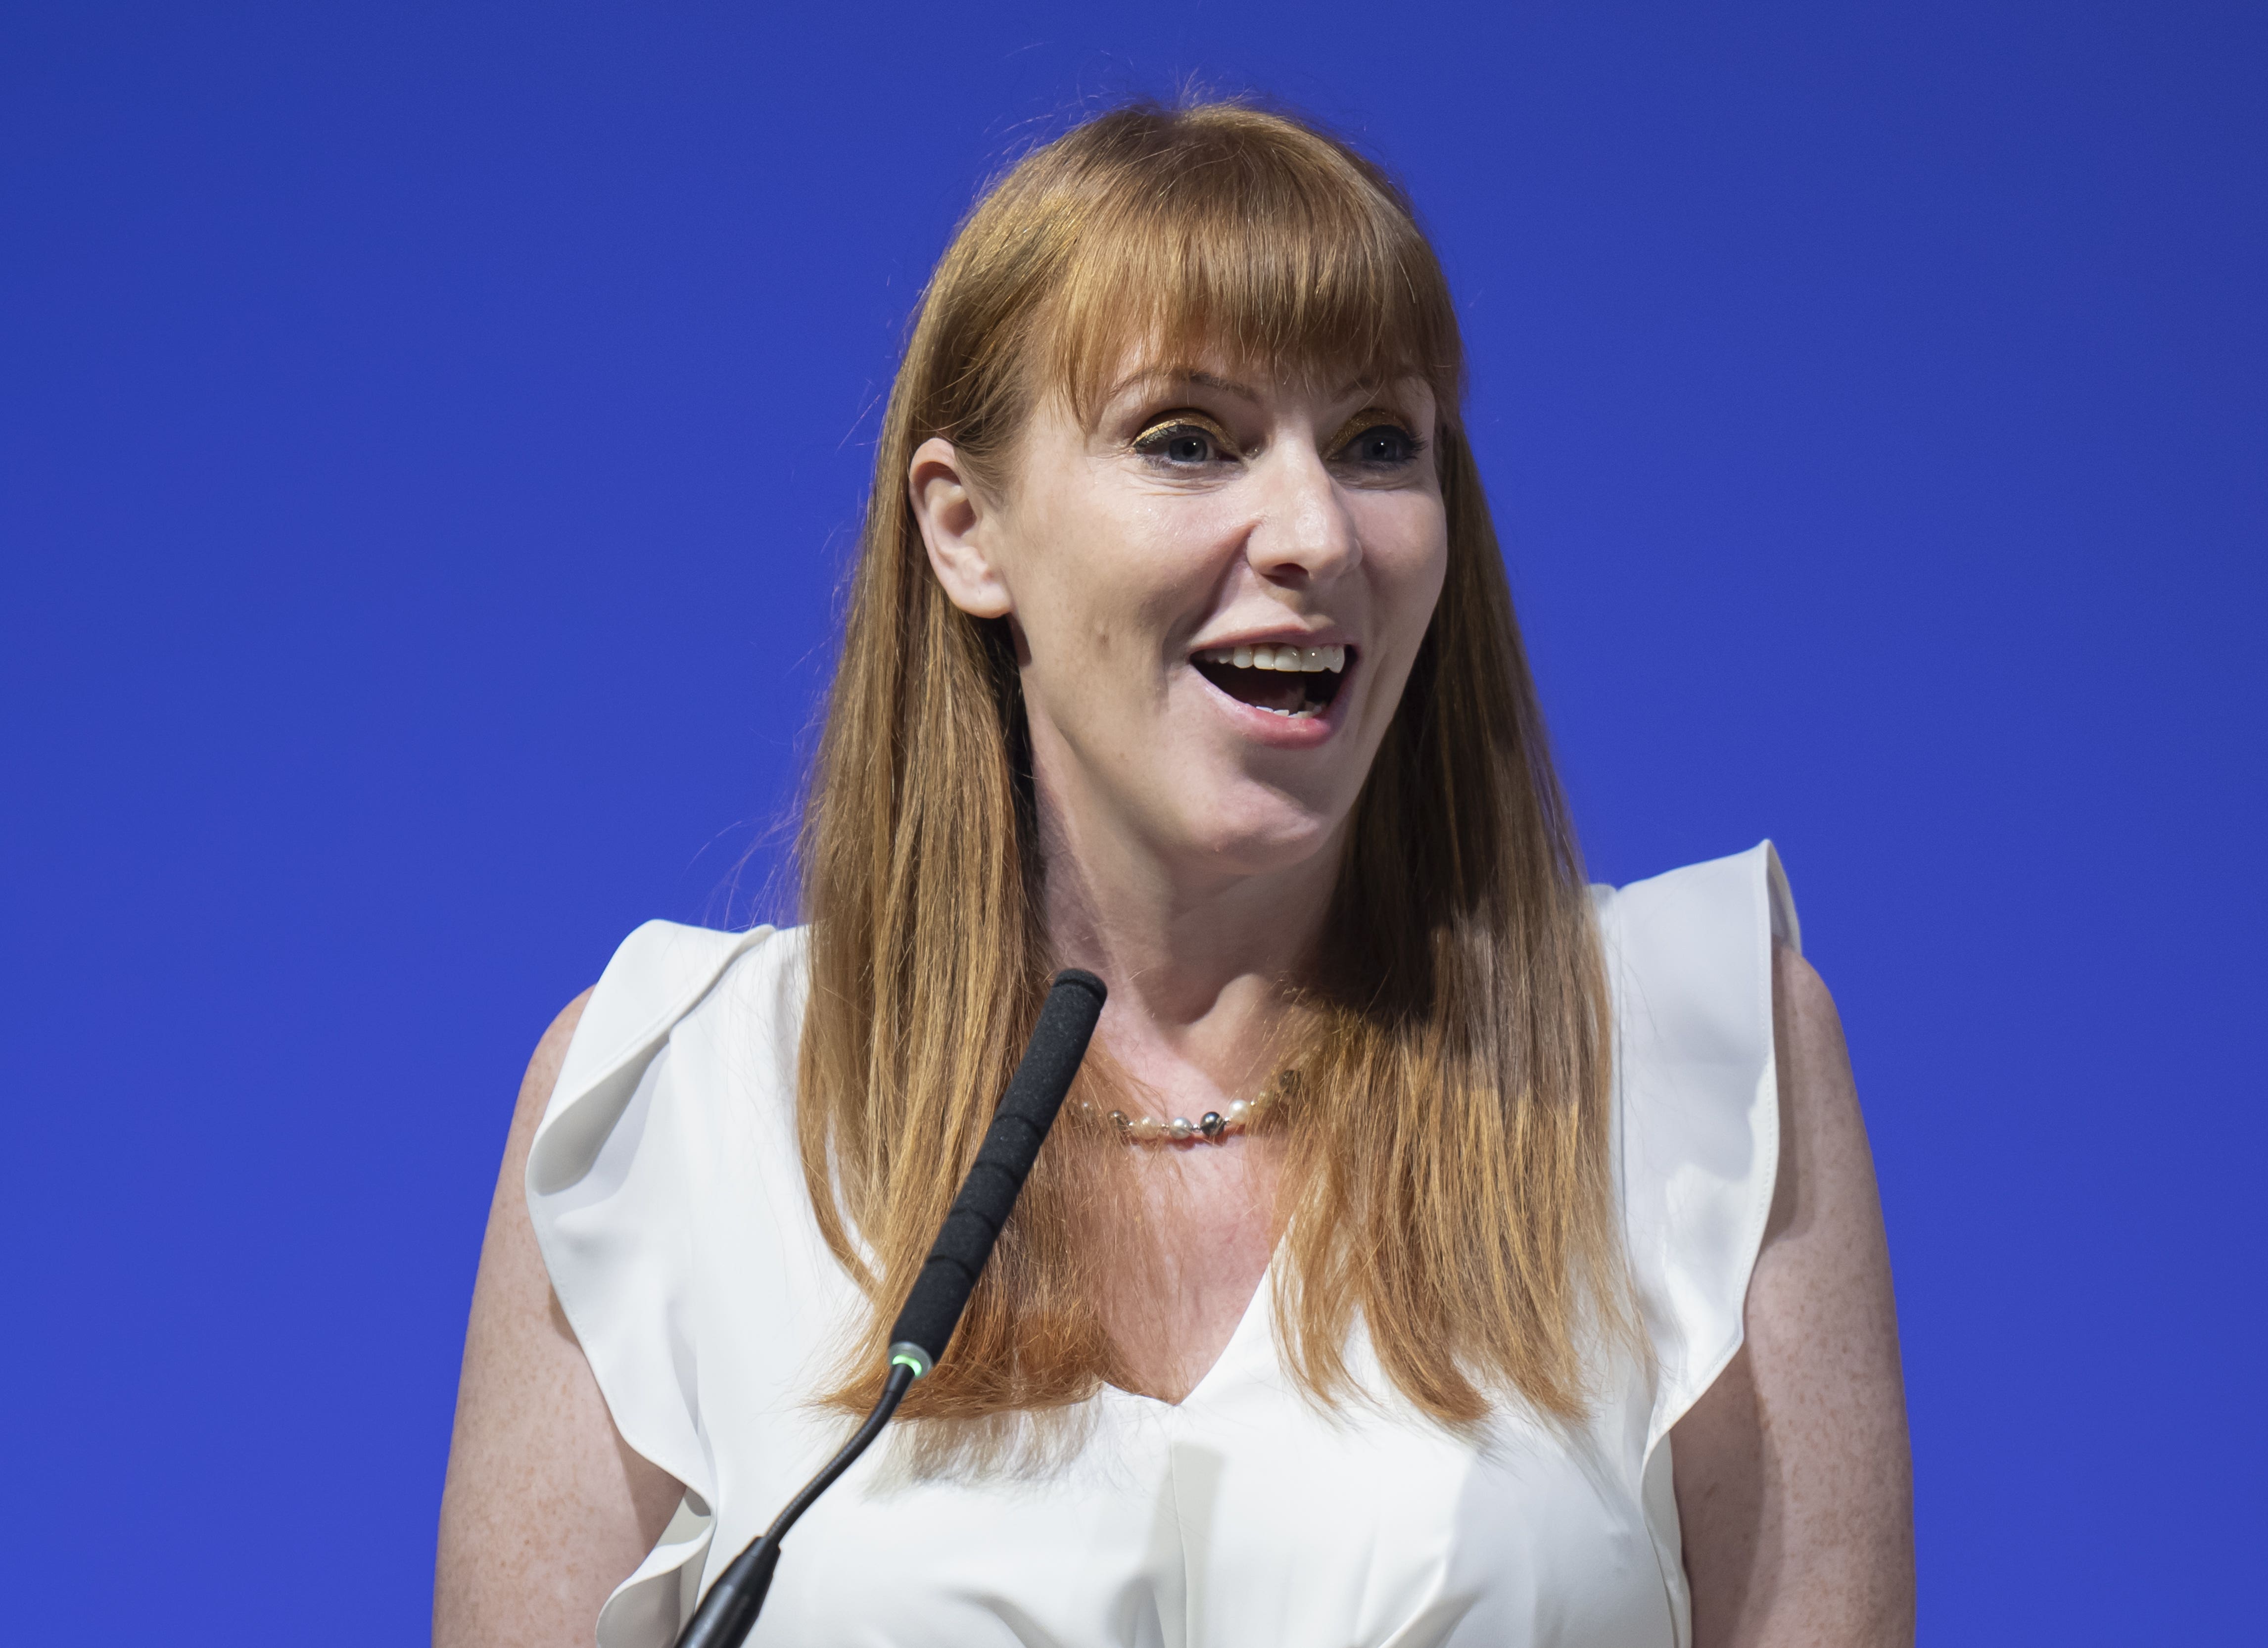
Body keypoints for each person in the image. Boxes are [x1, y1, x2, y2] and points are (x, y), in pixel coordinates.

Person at [435, 98, 1913, 1648]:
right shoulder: (665, 1101)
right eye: (1188, 439)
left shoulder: (1698, 1064)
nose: (1315, 529)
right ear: (965, 530)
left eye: (1376, 443)